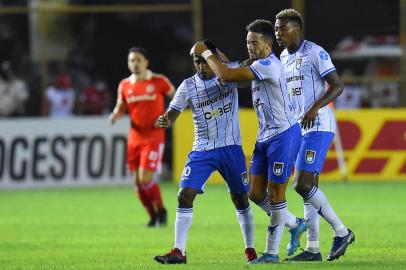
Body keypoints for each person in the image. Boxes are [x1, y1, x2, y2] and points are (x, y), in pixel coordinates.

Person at [191, 19, 307, 263]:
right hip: (265, 136)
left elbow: (228, 75)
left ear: (267, 45)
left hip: (284, 135)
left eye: (255, 43)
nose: (250, 47)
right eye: (247, 42)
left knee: (276, 196)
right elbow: (232, 71)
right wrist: (220, 58)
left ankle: (272, 253)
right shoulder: (256, 63)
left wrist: (207, 54)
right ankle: (295, 224)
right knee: (254, 193)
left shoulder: (268, 65)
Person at [153, 40, 257, 264]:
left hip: (231, 148)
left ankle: (250, 248)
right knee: (184, 194)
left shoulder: (229, 72)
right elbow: (173, 113)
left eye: (204, 61)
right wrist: (165, 120)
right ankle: (179, 251)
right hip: (202, 150)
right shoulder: (188, 85)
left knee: (240, 198)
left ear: (214, 58)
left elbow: (255, 64)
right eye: (196, 62)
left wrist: (223, 58)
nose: (201, 67)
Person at [274, 9, 355, 262]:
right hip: (298, 127)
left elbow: (338, 86)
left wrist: (313, 108)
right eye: (276, 29)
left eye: (282, 28)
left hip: (318, 124)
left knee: (302, 184)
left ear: (296, 29)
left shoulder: (315, 52)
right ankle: (312, 249)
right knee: (307, 188)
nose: (278, 33)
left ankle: (342, 232)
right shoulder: (283, 56)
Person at [109, 47, 175, 227]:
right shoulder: (124, 85)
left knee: (145, 177)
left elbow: (177, 97)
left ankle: (161, 210)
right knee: (138, 183)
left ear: (146, 62)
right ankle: (153, 215)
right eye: (132, 60)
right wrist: (115, 115)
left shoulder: (159, 81)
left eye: (138, 60)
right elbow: (120, 106)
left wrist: (169, 115)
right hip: (134, 138)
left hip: (153, 137)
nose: (135, 63)